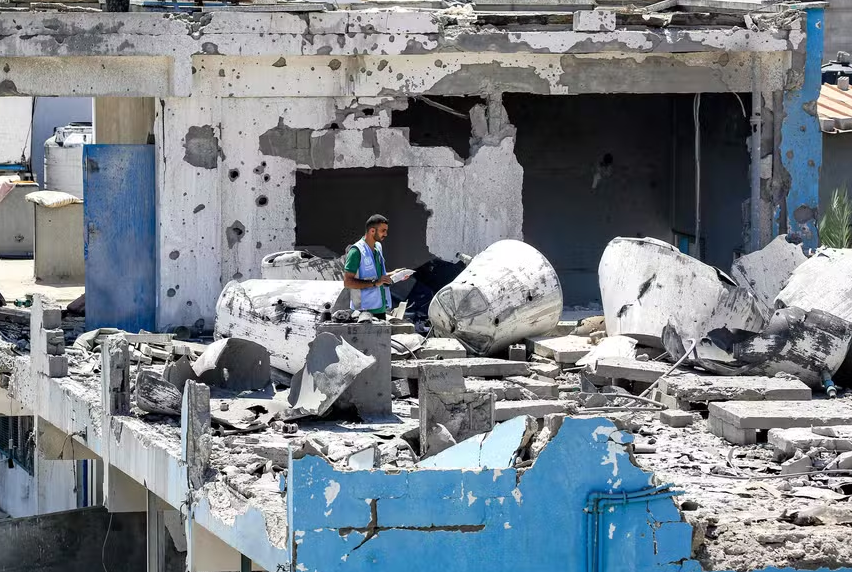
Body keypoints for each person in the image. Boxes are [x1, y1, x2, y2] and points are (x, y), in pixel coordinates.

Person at [343, 214, 396, 320]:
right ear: (372, 231)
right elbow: (347, 282)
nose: (386, 234)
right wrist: (374, 283)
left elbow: (377, 276)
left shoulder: (378, 247)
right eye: (383, 231)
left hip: (380, 309)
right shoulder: (356, 251)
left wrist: (395, 274)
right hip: (363, 312)